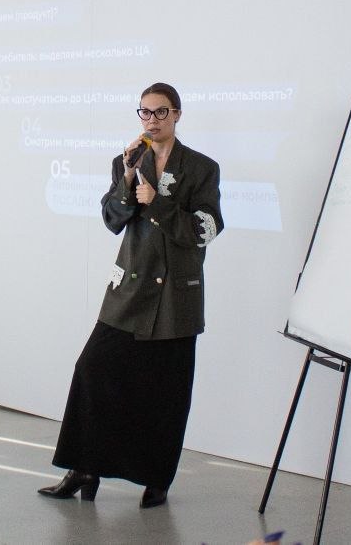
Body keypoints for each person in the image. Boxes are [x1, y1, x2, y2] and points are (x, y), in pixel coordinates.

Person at [39, 82, 223, 508]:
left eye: (161, 112)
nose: (152, 120)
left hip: (175, 297)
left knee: (166, 394)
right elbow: (112, 219)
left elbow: (205, 230)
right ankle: (84, 468)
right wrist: (125, 177)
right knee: (91, 370)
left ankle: (156, 480)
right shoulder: (127, 161)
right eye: (145, 112)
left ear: (177, 115)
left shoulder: (201, 168)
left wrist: (157, 203)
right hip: (129, 290)